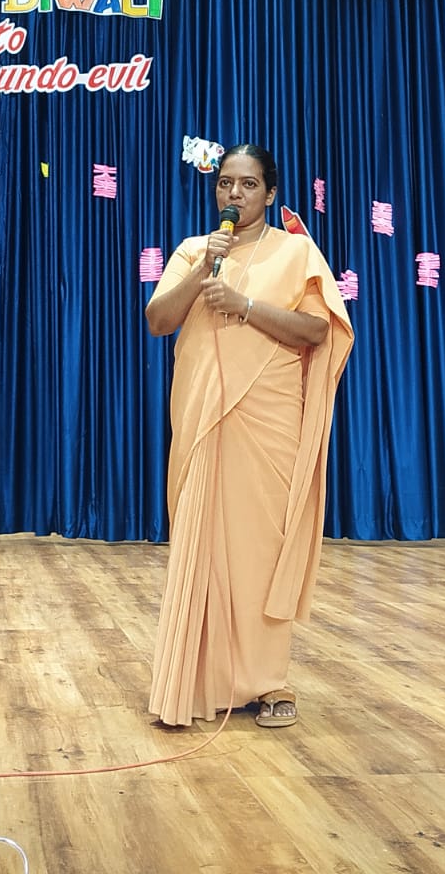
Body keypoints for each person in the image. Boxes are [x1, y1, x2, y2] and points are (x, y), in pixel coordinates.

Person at [145, 143, 352, 728]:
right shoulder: (194, 250)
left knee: (260, 551)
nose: (233, 194)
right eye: (225, 184)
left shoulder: (295, 251)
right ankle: (200, 680)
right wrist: (202, 273)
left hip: (269, 422)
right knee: (205, 551)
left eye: (248, 184)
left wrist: (245, 304)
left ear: (270, 192)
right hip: (202, 417)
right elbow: (159, 320)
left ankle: (268, 683)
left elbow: (316, 330)